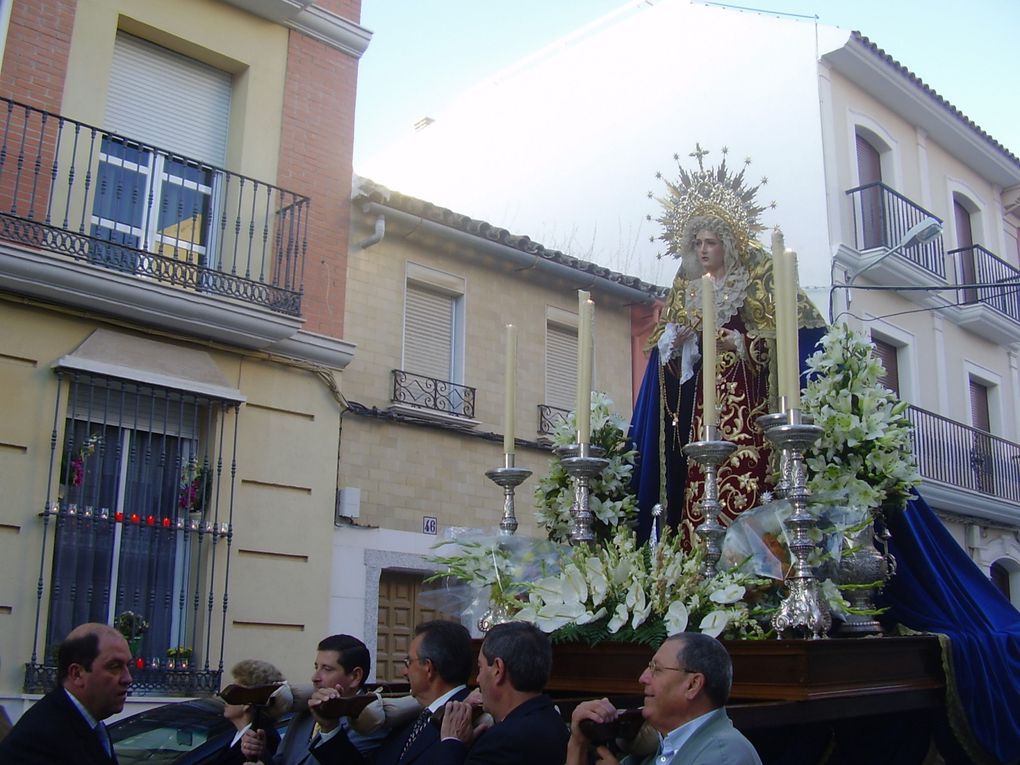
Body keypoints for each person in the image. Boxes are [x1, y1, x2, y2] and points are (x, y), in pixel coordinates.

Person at [630, 145, 826, 545]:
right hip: (701, 413)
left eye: (712, 242)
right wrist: (678, 346)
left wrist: (739, 342)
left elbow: (786, 345)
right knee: (698, 487)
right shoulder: (684, 289)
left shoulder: (754, 282)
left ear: (728, 244)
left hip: (747, 409)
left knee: (748, 489)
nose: (703, 249)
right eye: (698, 242)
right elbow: (667, 374)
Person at [567, 632, 761, 765]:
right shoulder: (658, 746)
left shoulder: (725, 755)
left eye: (656, 669)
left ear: (692, 685)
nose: (643, 678)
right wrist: (578, 742)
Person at [241, 634, 386, 765]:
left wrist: (330, 729)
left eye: (327, 669)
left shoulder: (369, 722)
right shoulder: (305, 713)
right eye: (316, 667)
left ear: (355, 677)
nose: (315, 677)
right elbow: (282, 761)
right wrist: (261, 753)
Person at [438, 621, 568, 765]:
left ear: (498, 670)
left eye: (480, 667)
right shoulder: (553, 720)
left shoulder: (502, 742)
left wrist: (452, 743)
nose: (478, 679)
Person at [0, 622, 132, 764]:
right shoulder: (41, 738)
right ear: (77, 674)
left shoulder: (89, 724)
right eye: (114, 667)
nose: (128, 678)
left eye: (128, 666)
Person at [373, 620, 475, 765]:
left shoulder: (467, 720)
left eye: (408, 662)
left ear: (428, 667)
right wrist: (331, 727)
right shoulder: (410, 720)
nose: (404, 672)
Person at [215, 659, 290, 764]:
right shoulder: (239, 736)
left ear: (247, 703)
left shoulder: (260, 741)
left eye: (234, 692)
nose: (225, 697)